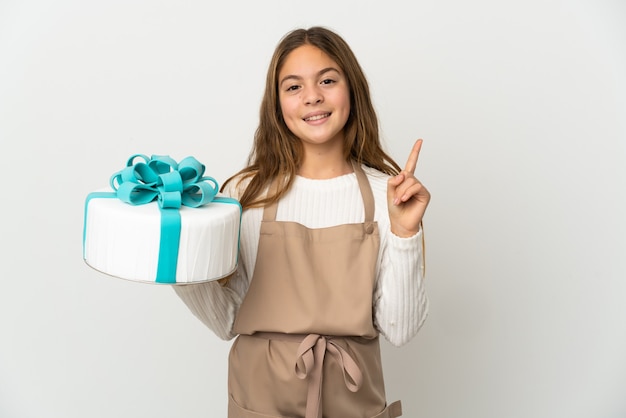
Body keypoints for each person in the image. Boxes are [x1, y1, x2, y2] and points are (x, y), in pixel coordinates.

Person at [174, 26, 430, 418]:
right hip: (260, 397)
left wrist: (405, 232)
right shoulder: (246, 193)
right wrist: (177, 258)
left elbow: (400, 329)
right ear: (276, 104)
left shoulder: (388, 196)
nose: (312, 96)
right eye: (293, 87)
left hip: (353, 398)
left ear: (352, 91)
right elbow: (226, 320)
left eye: (327, 80)